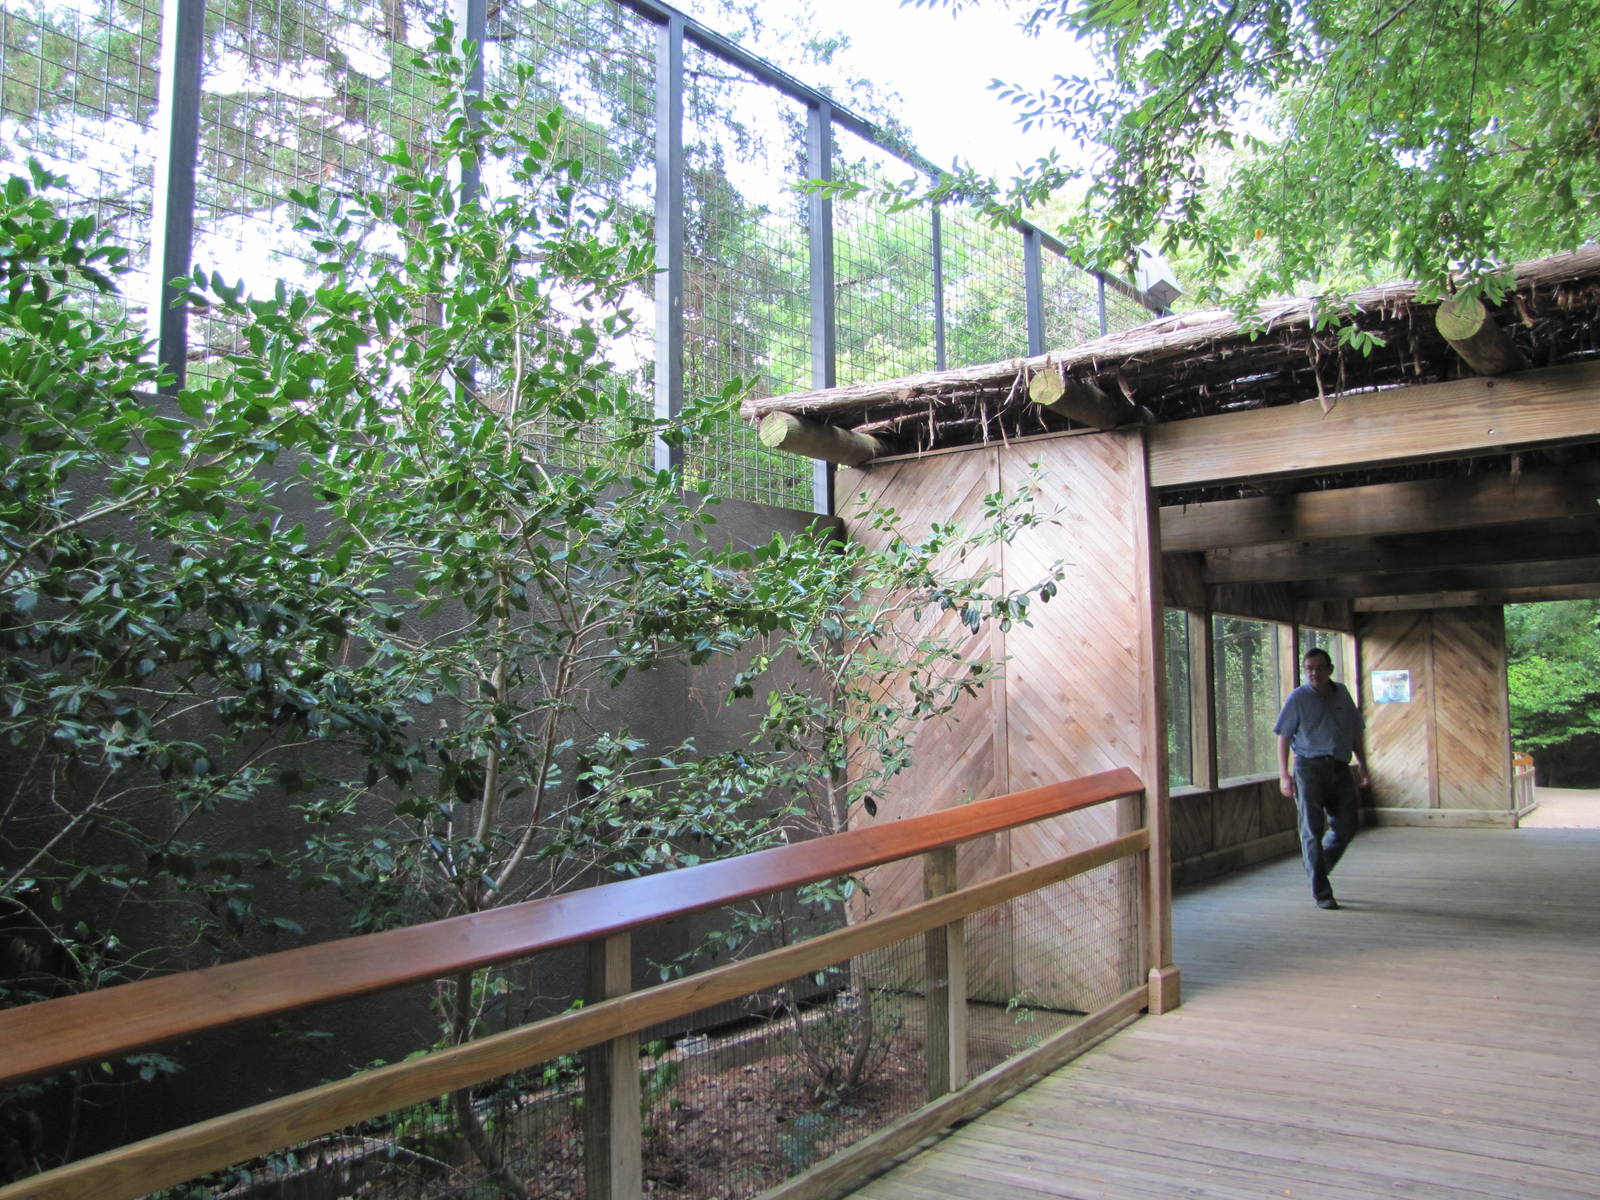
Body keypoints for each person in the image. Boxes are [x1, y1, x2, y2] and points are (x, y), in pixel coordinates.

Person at [1274, 647, 1369, 910]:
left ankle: (1318, 867)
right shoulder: (1298, 698)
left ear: (1329, 669)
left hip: (1339, 766)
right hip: (1308, 768)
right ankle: (1322, 892)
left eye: (1318, 667)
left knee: (1347, 825)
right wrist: (1284, 775)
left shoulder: (1342, 694)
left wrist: (1363, 765)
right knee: (1311, 830)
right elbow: (1283, 736)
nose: (1313, 673)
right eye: (1308, 668)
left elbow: (1355, 731)